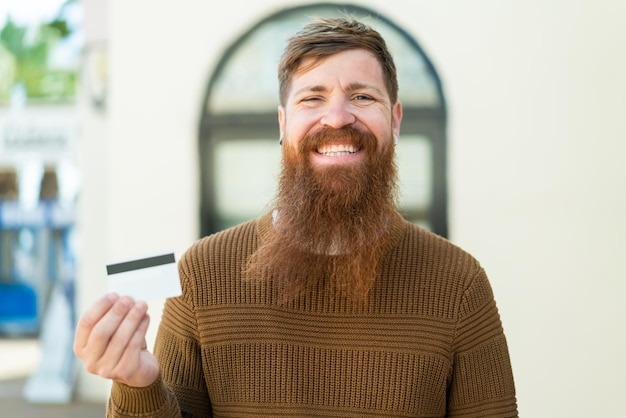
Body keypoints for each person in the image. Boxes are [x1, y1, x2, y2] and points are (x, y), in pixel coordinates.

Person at [74, 17, 518, 417]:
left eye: (362, 96)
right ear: (283, 124)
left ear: (396, 121)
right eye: (313, 98)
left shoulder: (459, 283)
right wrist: (139, 385)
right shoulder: (203, 273)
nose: (338, 117)